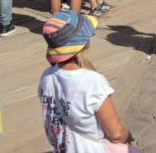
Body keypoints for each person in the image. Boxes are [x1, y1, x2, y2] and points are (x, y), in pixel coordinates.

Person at [39, 10, 133, 152]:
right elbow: (116, 133)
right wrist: (128, 137)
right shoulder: (93, 81)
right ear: (84, 42)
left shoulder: (47, 77)